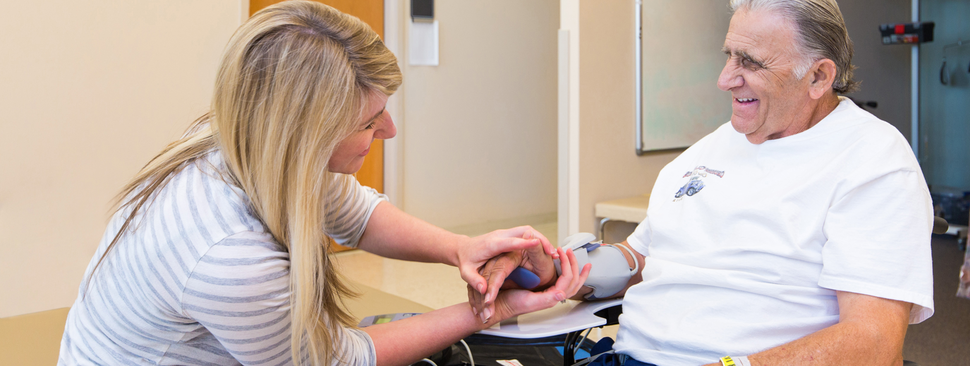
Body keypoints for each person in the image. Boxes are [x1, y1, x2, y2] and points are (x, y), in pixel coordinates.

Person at [57, 2, 589, 365]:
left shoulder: (249, 139)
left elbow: (356, 215)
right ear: (303, 134)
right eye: (367, 123)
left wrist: (462, 248)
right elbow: (340, 359)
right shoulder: (227, 255)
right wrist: (492, 312)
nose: (390, 131)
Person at [473, 0, 934, 365]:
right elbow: (639, 257)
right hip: (627, 355)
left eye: (749, 63)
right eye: (728, 55)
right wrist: (556, 270)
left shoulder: (873, 162)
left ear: (818, 76)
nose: (724, 79)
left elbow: (873, 343)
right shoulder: (716, 144)